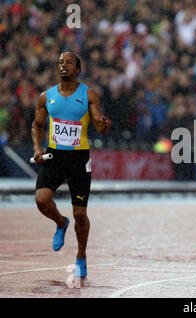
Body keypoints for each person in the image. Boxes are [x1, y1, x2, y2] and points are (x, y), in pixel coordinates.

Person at [31, 52, 111, 281]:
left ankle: (81, 257)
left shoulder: (89, 95)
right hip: (54, 156)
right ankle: (60, 222)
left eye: (69, 63)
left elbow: (99, 124)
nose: (63, 66)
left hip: (78, 159)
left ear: (78, 69)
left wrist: (104, 125)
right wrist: (37, 149)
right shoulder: (47, 96)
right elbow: (36, 125)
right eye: (60, 63)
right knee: (41, 199)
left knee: (81, 215)